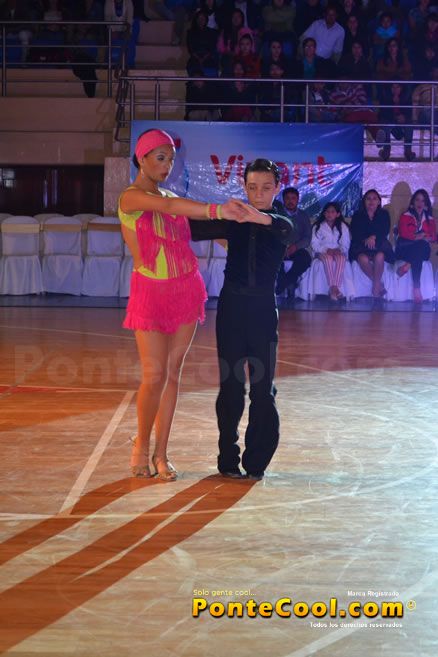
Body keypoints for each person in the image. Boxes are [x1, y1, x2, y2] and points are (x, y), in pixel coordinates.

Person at [118, 129, 252, 480]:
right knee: (154, 376)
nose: (167, 166)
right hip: (150, 292)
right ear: (141, 159)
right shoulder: (131, 198)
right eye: (160, 158)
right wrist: (217, 208)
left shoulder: (171, 195)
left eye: (171, 159)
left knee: (172, 374)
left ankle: (161, 453)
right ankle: (140, 445)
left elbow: (192, 224)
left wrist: (241, 238)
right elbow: (166, 207)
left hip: (186, 289)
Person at [190, 159, 297, 481]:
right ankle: (227, 458)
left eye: (266, 187)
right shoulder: (233, 219)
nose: (258, 193)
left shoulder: (280, 222)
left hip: (262, 311)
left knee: (262, 390)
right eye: (252, 187)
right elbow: (192, 228)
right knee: (231, 387)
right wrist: (219, 212)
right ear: (244, 186)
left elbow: (288, 229)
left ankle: (256, 463)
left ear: (277, 188)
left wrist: (257, 216)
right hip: (232, 310)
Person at [349, 188, 395, 298]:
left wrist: (374, 237)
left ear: (379, 201)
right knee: (362, 258)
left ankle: (375, 287)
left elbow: (385, 230)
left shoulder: (384, 214)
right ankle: (379, 285)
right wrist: (366, 239)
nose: (371, 201)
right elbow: (355, 232)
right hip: (362, 246)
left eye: (374, 199)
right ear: (364, 201)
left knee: (380, 256)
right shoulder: (358, 215)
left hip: (378, 245)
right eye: (368, 199)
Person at [395, 188, 437, 303]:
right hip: (405, 248)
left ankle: (407, 265)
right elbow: (403, 233)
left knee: (421, 246)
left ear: (426, 203)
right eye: (417, 200)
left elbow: (433, 237)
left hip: (422, 249)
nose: (420, 203)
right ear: (413, 202)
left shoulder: (430, 219)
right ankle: (417, 289)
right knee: (419, 248)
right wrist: (420, 236)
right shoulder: (405, 216)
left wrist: (420, 236)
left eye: (423, 201)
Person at [275, 187, 312, 298]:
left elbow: (307, 237)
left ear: (297, 200)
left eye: (293, 198)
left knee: (305, 258)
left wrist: (295, 246)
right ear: (283, 200)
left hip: (296, 249)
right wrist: (282, 247)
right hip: (279, 248)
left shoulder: (303, 216)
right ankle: (288, 283)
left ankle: (285, 282)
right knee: (274, 258)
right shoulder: (277, 215)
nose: (290, 201)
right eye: (287, 198)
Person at [311, 201, 351, 301]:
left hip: (337, 252)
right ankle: (334, 288)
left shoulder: (343, 226)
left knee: (341, 259)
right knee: (328, 259)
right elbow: (314, 244)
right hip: (322, 252)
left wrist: (339, 249)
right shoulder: (318, 226)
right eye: (327, 212)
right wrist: (326, 250)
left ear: (338, 214)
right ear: (324, 213)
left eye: (333, 212)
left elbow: (346, 243)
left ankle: (333, 288)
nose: (330, 214)